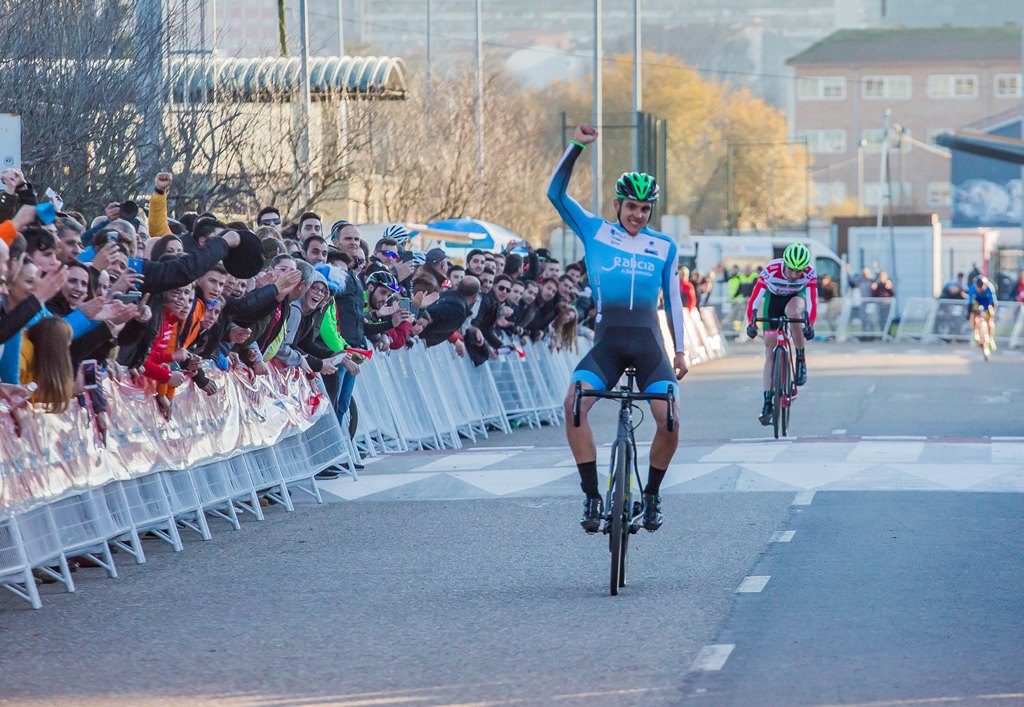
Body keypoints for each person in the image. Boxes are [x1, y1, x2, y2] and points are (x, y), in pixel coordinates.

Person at [548, 123, 686, 534]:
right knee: (574, 404)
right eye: (631, 207)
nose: (637, 216)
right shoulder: (595, 230)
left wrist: (681, 350)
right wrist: (575, 147)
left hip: (649, 345)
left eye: (645, 210)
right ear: (617, 205)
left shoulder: (663, 246)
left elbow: (674, 299)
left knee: (671, 419)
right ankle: (592, 495)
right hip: (607, 343)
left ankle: (653, 495)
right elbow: (555, 194)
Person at [745, 242, 817, 426]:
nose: (794, 275)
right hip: (774, 299)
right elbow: (755, 299)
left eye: (798, 271)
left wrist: (810, 324)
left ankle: (800, 356)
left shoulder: (809, 273)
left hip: (795, 298)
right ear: (784, 264)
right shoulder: (771, 270)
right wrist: (751, 323)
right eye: (791, 269)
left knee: (793, 312)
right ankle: (767, 401)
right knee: (770, 345)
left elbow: (811, 302)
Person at [967, 274, 997, 348]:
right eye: (978, 288)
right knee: (972, 314)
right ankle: (975, 331)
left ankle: (991, 338)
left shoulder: (989, 287)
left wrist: (991, 312)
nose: (979, 289)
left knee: (990, 319)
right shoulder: (972, 288)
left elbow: (992, 302)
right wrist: (969, 312)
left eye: (981, 287)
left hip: (986, 302)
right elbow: (970, 302)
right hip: (977, 302)